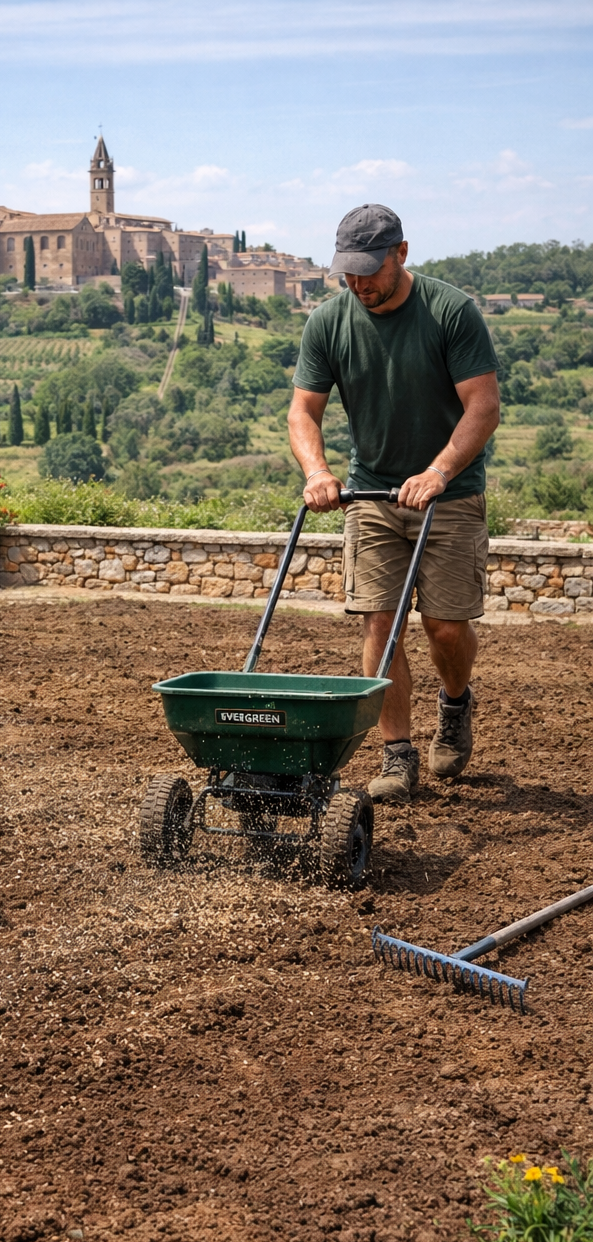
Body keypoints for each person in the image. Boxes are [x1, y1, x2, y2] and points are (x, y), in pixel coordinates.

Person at [288, 204, 500, 804]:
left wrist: (437, 471)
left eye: (369, 272)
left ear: (401, 254)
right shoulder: (328, 322)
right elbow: (304, 411)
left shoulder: (450, 312)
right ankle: (397, 755)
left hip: (449, 494)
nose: (359, 285)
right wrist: (318, 471)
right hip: (373, 492)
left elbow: (482, 407)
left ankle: (455, 704)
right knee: (380, 623)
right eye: (347, 274)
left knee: (446, 628)